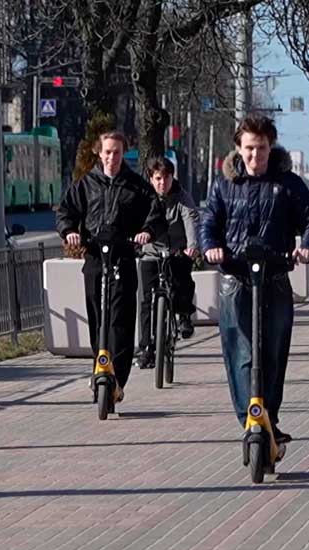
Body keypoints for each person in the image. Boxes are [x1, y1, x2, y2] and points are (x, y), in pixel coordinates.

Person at [199, 114, 309, 443]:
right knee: (241, 355)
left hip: (275, 279)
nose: (256, 156)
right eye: (250, 149)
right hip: (236, 281)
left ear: (271, 147)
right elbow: (209, 223)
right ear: (238, 149)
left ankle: (270, 417)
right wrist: (211, 247)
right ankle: (250, 418)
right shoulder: (224, 185)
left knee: (273, 354)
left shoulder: (288, 184)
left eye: (262, 148)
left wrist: (307, 249)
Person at [57, 130, 166, 405]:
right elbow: (66, 211)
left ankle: (117, 376)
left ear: (123, 153)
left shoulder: (136, 186)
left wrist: (146, 232)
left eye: (117, 152)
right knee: (97, 315)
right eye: (107, 152)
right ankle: (100, 365)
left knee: (120, 318)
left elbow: (155, 215)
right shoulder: (87, 184)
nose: (112, 157)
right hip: (95, 256)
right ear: (99, 152)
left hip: (123, 257)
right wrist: (70, 230)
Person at [136, 157, 199, 368]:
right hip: (151, 252)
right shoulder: (145, 197)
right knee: (146, 300)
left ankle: (184, 315)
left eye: (166, 178)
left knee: (182, 281)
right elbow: (136, 220)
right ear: (151, 179)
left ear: (173, 177)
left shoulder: (182, 197)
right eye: (158, 178)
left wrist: (192, 246)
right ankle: (146, 348)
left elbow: (190, 219)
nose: (162, 183)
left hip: (177, 251)